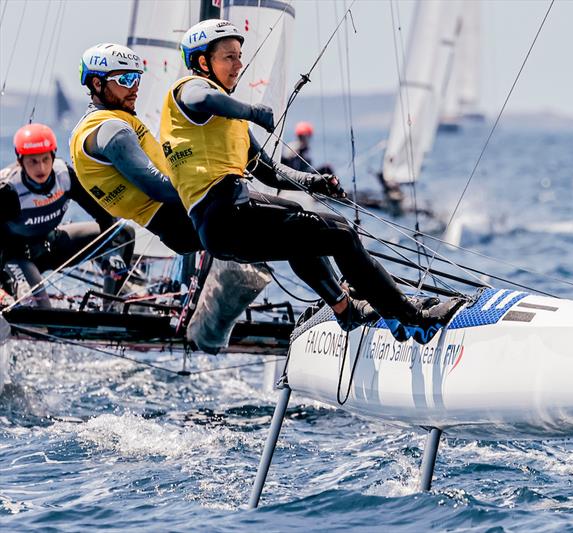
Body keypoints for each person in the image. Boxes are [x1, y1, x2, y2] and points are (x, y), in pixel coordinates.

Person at [160, 19, 460, 344]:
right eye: (228, 57)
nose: (239, 65)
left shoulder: (228, 121)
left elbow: (268, 171)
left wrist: (313, 182)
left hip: (228, 218)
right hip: (223, 215)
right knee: (342, 235)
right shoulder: (190, 89)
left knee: (303, 230)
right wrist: (251, 111)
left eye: (239, 56)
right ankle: (411, 318)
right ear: (203, 62)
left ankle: (346, 308)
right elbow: (201, 99)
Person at [69, 43, 202, 256]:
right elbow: (157, 187)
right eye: (126, 80)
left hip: (179, 229)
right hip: (186, 219)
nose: (135, 88)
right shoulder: (109, 128)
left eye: (137, 79)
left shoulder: (95, 126)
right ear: (97, 83)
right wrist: (212, 187)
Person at [0, 123, 134, 308]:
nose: (41, 168)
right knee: (38, 307)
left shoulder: (64, 176)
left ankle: (109, 312)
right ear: (20, 161)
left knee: (123, 234)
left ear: (53, 156)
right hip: (15, 257)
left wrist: (111, 252)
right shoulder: (9, 191)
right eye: (33, 161)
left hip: (51, 244)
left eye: (46, 159)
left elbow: (104, 216)